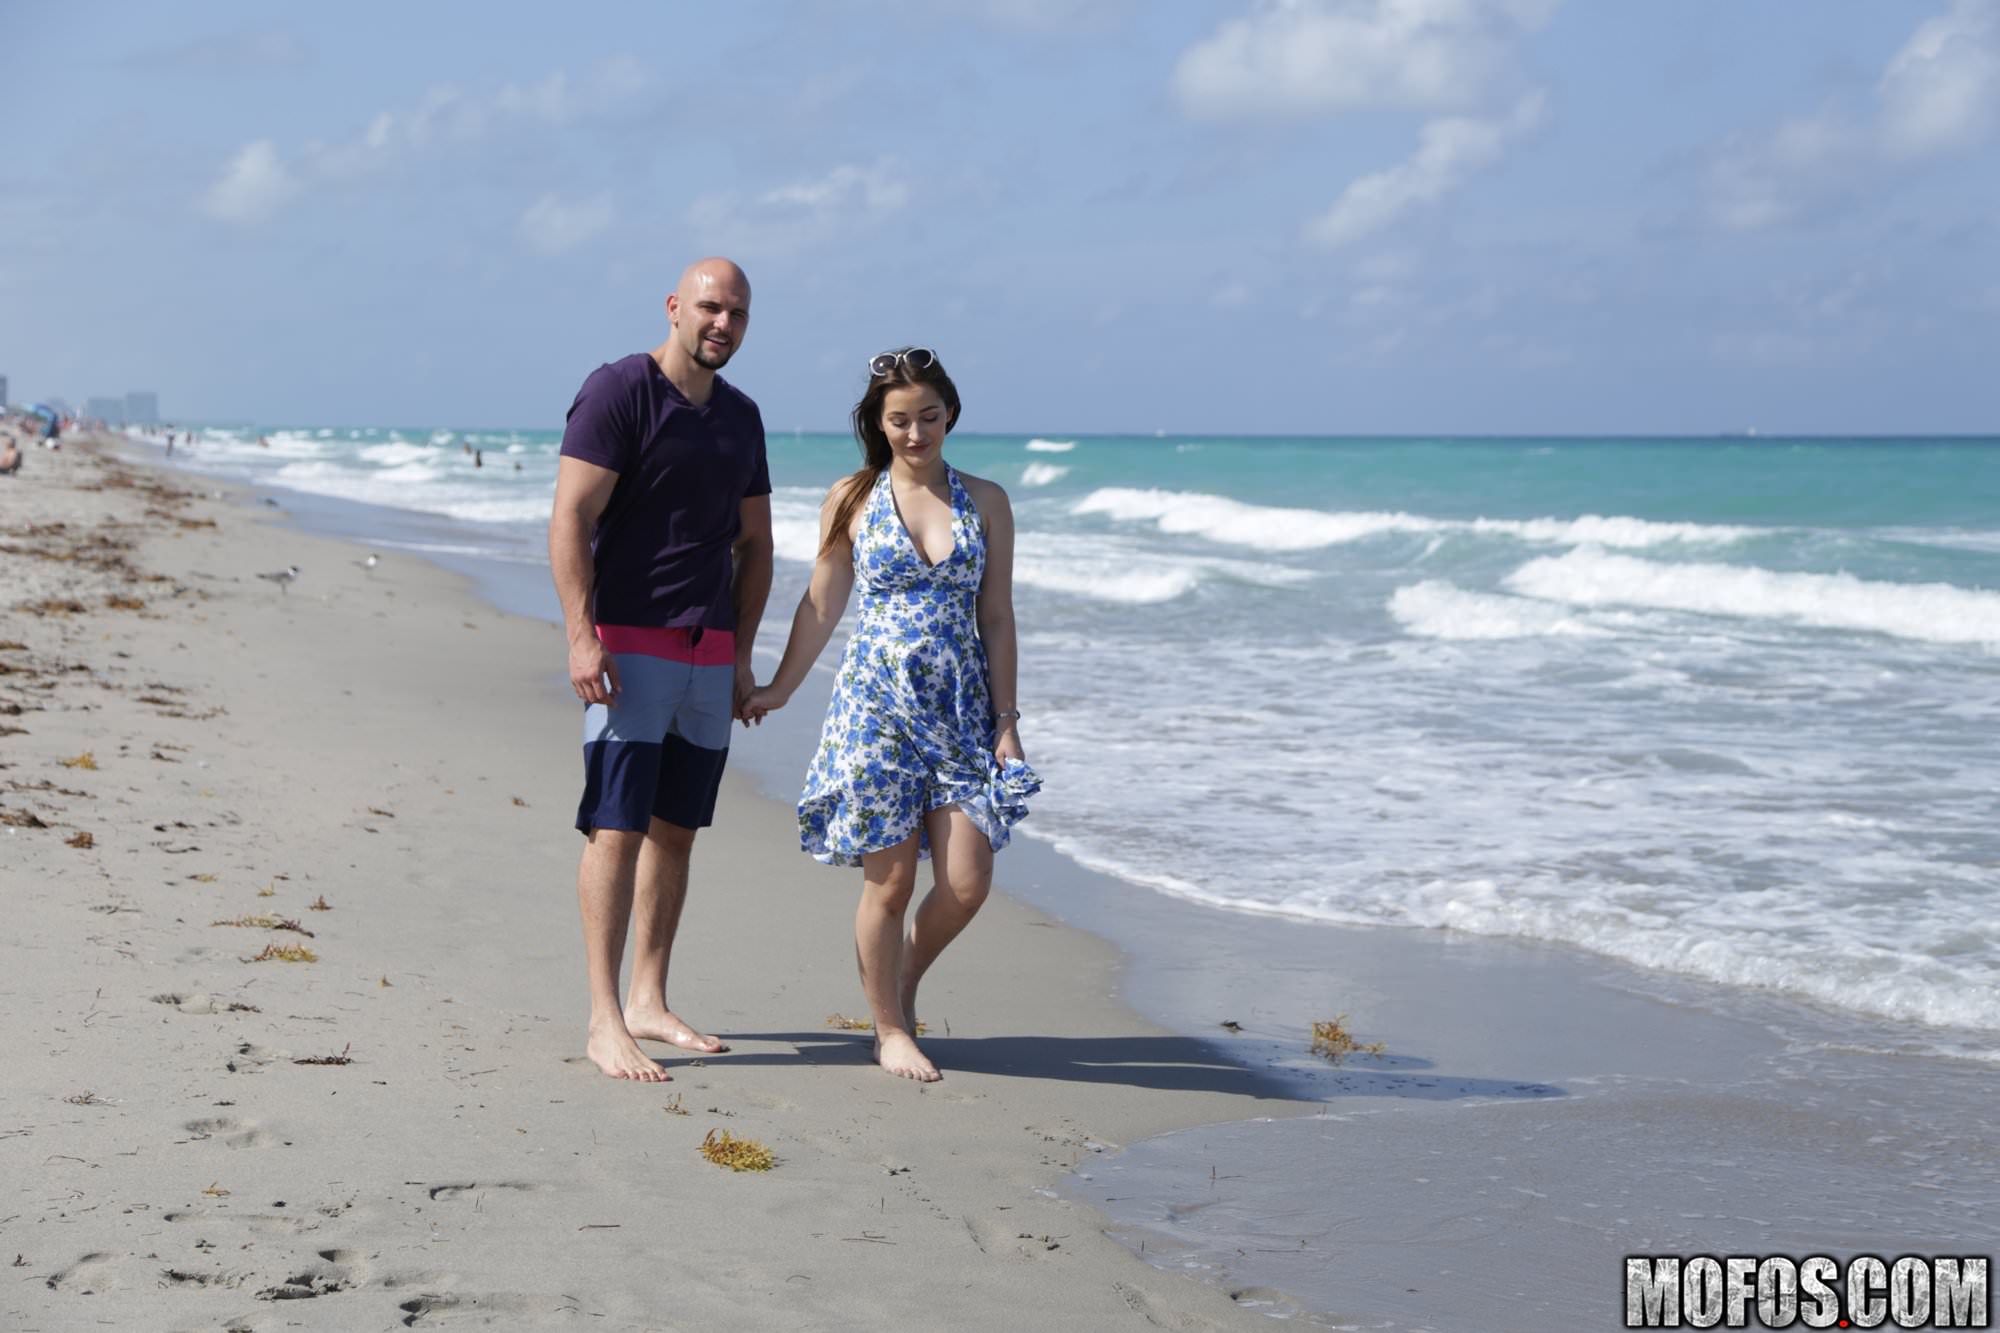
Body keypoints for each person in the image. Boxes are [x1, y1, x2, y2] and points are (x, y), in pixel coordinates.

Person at [744, 347, 1039, 1082]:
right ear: (878, 424)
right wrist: (779, 688)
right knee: (892, 881)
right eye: (900, 420)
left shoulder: (987, 501)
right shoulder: (852, 498)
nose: (915, 433)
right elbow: (821, 604)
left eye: (928, 417)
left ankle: (898, 981)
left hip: (960, 711)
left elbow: (997, 617)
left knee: (967, 881)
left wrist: (1006, 720)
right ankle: (889, 1028)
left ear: (950, 415)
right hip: (874, 708)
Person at [548, 257, 773, 1083]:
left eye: (737, 313)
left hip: (708, 655)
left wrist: (741, 654)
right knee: (617, 827)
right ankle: (603, 1017)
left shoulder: (741, 417)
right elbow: (571, 515)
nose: (723, 324)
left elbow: (757, 545)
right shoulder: (619, 391)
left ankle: (648, 998)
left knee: (676, 829)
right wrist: (582, 636)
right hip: (630, 646)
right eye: (710, 307)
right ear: (676, 306)